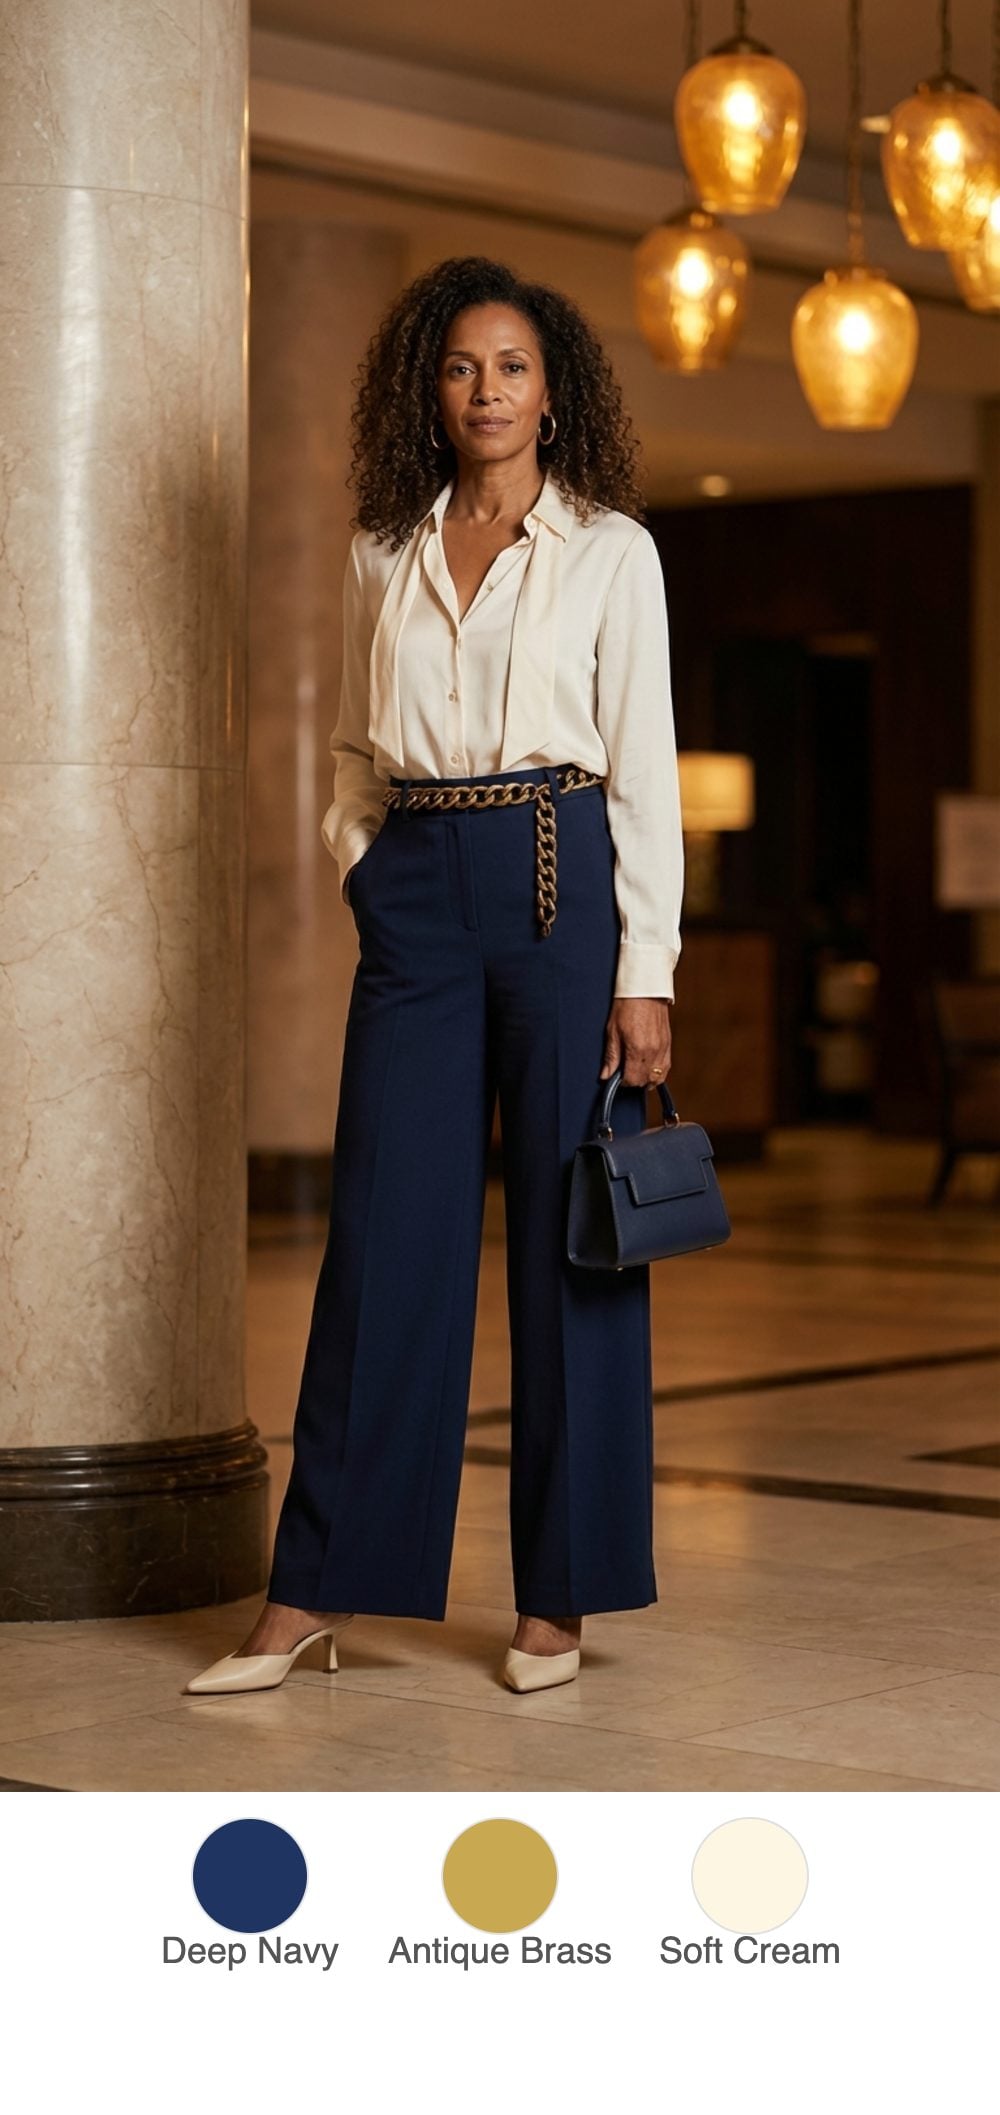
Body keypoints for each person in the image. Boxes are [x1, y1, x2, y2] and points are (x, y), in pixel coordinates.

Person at [186, 254, 684, 1701]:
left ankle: (558, 1599)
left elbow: (643, 772)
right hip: (418, 890)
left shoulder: (613, 552)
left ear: (553, 392)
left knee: (571, 1239)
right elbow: (355, 745)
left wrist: (645, 970)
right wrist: (366, 864)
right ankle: (312, 1591)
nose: (487, 391)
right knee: (381, 1236)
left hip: (560, 878)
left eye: (512, 366)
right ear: (432, 387)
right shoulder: (382, 551)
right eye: (463, 367)